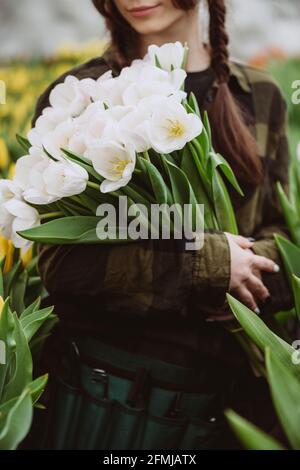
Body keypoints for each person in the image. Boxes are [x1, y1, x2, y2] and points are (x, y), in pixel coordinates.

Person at [31, 0, 293, 450]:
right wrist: (208, 265)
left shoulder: (260, 96)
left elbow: (283, 241)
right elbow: (63, 263)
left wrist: (241, 266)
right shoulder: (83, 94)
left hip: (225, 399)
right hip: (109, 394)